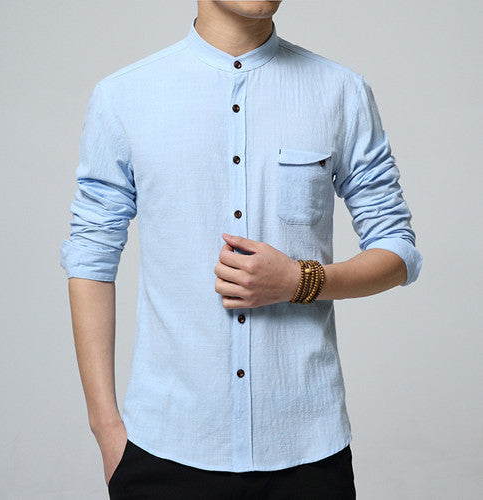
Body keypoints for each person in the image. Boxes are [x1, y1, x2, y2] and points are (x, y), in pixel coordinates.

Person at [60, 1, 423, 498]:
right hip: (164, 448)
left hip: (307, 452)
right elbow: (90, 257)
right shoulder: (124, 97)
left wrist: (301, 281)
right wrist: (107, 431)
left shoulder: (340, 92)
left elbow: (397, 248)